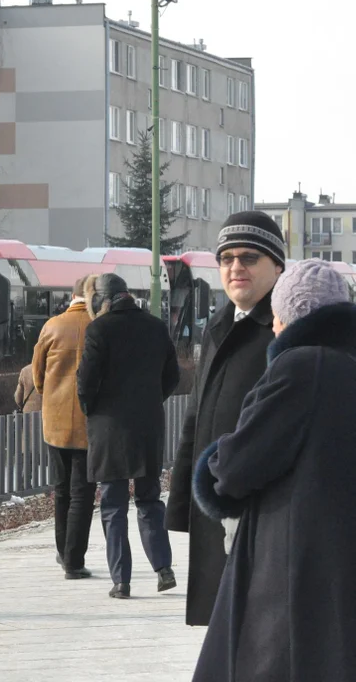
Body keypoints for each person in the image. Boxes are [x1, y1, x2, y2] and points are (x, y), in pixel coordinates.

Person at [191, 259, 356, 681]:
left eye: (278, 316)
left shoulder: (302, 366)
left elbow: (240, 464)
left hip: (294, 561)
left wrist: (213, 466)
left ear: (290, 316)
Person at [165, 211, 285, 626]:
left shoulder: (286, 331)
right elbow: (197, 415)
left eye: (250, 257)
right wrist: (182, 500)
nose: (235, 267)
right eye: (226, 258)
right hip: (214, 504)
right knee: (224, 627)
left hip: (263, 512)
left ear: (277, 266)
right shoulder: (218, 323)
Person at [77, 273, 180, 599]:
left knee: (113, 505)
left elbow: (86, 382)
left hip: (109, 429)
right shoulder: (156, 327)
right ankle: (163, 568)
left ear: (103, 301)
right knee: (150, 499)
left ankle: (121, 581)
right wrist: (150, 401)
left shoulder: (99, 330)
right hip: (147, 427)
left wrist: (92, 408)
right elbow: (173, 377)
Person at [31, 276, 94, 578]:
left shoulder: (52, 326)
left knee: (61, 489)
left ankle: (61, 550)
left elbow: (37, 375)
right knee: (82, 492)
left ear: (71, 295)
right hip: (88, 423)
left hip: (54, 423)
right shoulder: (98, 326)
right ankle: (74, 560)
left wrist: (51, 397)